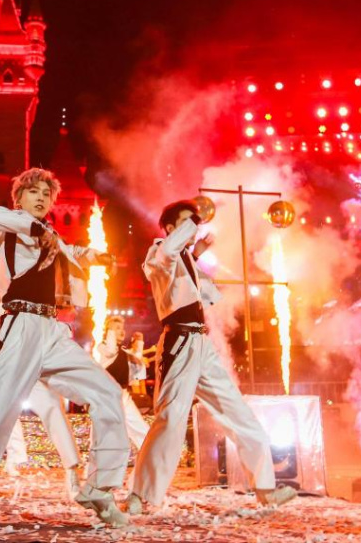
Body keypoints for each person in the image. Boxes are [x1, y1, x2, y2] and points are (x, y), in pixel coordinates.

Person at [0, 168, 128, 530]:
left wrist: (97, 257)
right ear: (18, 198)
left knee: (108, 395)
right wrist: (34, 228)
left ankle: (100, 489)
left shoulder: (52, 235)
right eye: (33, 192)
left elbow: (71, 251)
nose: (41, 198)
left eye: (47, 194)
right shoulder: (2, 229)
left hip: (52, 331)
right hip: (18, 327)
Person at [127, 201, 296, 515]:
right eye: (186, 221)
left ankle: (266, 489)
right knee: (171, 418)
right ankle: (140, 494)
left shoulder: (187, 261)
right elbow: (169, 256)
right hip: (178, 342)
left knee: (237, 411)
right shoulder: (158, 252)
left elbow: (203, 290)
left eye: (195, 221)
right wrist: (193, 234)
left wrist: (197, 254)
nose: (194, 225)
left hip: (201, 343)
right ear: (169, 228)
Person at [0, 269, 83, 497]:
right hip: (2, 357)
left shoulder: (27, 276)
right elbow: (9, 292)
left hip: (29, 352)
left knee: (51, 407)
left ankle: (72, 469)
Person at [94, 316, 151, 452]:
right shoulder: (103, 347)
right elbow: (111, 350)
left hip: (122, 395)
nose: (122, 331)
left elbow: (137, 366)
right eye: (117, 328)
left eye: (122, 328)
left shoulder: (123, 352)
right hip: (107, 396)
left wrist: (139, 342)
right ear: (109, 331)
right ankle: (100, 462)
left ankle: (151, 456)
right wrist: (111, 331)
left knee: (140, 428)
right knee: (106, 434)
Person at [126, 332, 155, 396]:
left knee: (143, 395)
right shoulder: (129, 352)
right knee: (138, 395)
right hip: (134, 378)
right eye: (135, 344)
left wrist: (150, 359)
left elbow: (146, 364)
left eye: (137, 344)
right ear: (132, 344)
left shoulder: (138, 353)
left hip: (140, 377)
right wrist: (151, 350)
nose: (136, 346)